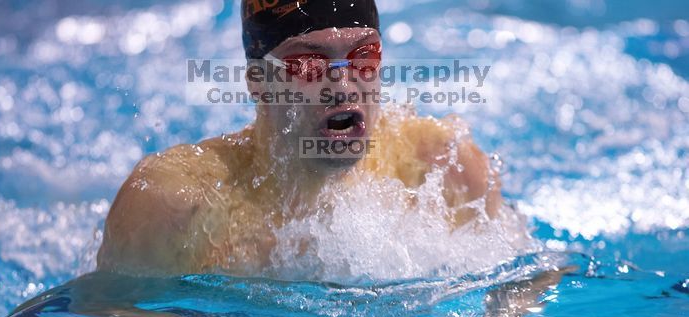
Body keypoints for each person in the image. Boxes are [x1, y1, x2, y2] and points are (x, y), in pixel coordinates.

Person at [95, 0, 503, 277]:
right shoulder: (176, 208)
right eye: (307, 64)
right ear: (259, 82)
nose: (343, 86)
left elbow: (519, 293)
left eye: (364, 56)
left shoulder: (443, 168)